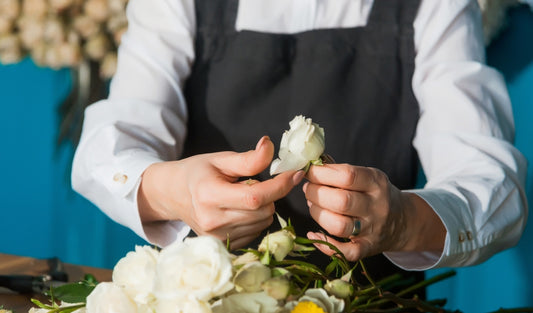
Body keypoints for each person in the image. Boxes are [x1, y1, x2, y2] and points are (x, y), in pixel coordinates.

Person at [72, 0, 527, 282]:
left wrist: (404, 221)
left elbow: (495, 183)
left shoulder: (436, 4)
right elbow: (107, 146)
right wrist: (176, 190)